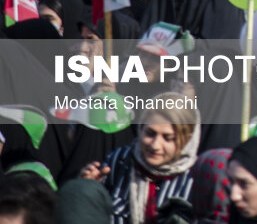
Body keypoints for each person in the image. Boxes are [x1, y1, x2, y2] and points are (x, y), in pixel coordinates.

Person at [81, 93, 199, 224]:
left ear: (187, 140)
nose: (155, 145)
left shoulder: (197, 178)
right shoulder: (119, 162)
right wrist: (87, 189)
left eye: (167, 138)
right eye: (150, 133)